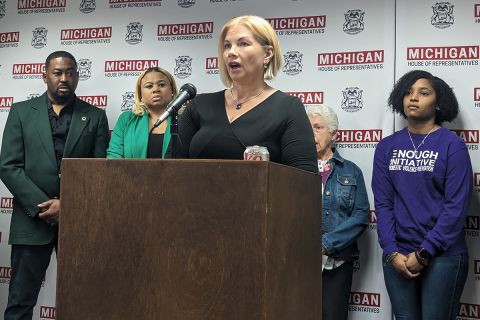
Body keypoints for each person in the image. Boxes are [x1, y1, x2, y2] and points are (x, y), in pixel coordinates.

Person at [0, 50, 110, 320]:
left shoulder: (95, 116)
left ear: (77, 76)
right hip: (31, 221)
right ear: (45, 75)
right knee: (20, 302)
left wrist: (67, 206)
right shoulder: (21, 112)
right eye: (58, 72)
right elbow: (9, 166)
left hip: (78, 221)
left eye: (70, 72)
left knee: (83, 299)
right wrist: (44, 207)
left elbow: (99, 172)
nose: (64, 78)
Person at [372, 70, 472, 320]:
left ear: (438, 103)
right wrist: (392, 252)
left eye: (423, 93)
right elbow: (383, 204)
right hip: (398, 255)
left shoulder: (452, 146)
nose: (413, 98)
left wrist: (425, 253)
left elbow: (456, 207)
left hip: (442, 256)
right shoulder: (386, 147)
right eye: (407, 92)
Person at [177, 15, 317, 173]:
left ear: (268, 54)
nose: (232, 52)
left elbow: (304, 181)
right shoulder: (199, 105)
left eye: (243, 44)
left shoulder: (288, 108)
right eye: (227, 46)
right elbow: (170, 168)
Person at [306, 105, 369, 320]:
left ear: (334, 134)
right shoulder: (291, 167)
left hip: (337, 262)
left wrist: (326, 244)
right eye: (307, 127)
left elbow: (361, 215)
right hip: (297, 261)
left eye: (317, 127)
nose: (310, 133)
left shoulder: (351, 171)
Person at [107, 67, 178, 158]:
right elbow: (114, 156)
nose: (156, 89)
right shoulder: (126, 119)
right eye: (149, 86)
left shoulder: (184, 119)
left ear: (172, 90)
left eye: (161, 85)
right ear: (140, 94)